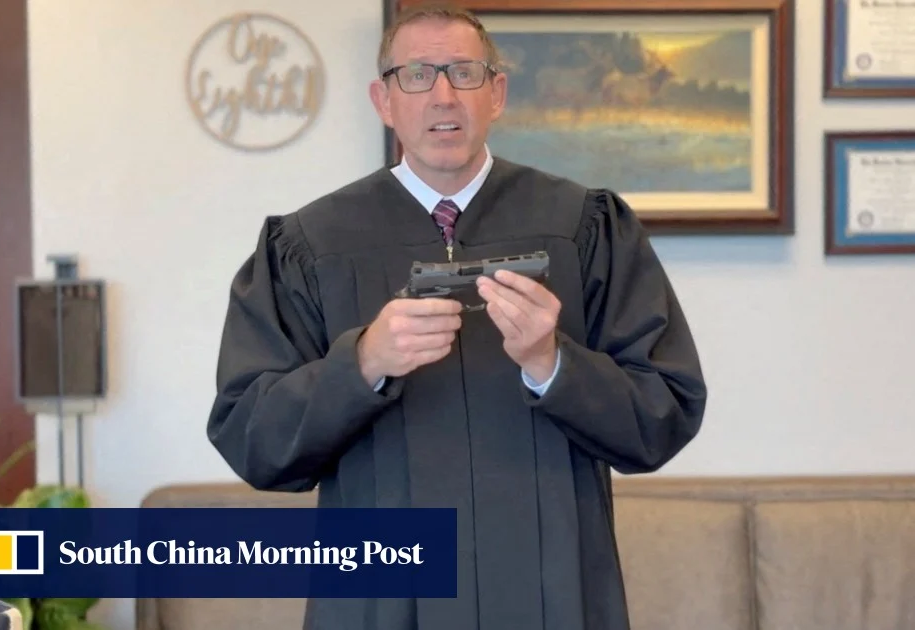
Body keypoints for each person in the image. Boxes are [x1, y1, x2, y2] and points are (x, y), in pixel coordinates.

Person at [206, 3, 708, 629]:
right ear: (383, 100)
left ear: (497, 94)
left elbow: (665, 413)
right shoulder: (309, 245)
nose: (443, 95)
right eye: (417, 75)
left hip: (548, 590)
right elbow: (250, 437)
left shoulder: (584, 228)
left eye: (464, 73)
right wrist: (363, 363)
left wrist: (553, 364)